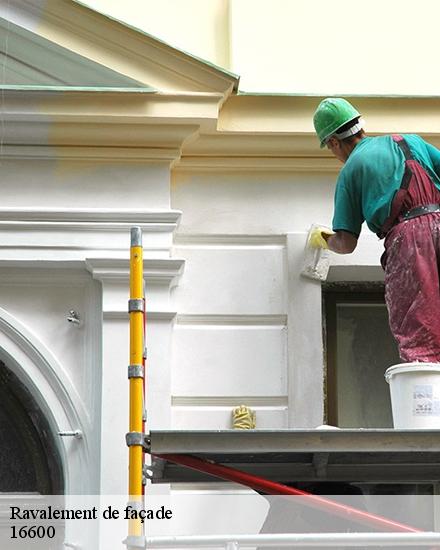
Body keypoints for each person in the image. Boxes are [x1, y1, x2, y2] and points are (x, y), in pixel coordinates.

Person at [310, 97, 440, 363]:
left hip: (411, 242)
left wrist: (325, 240)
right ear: (360, 127)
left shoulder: (352, 169)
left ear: (334, 142)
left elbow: (346, 243)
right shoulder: (410, 141)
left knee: (420, 335)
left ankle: (426, 401)